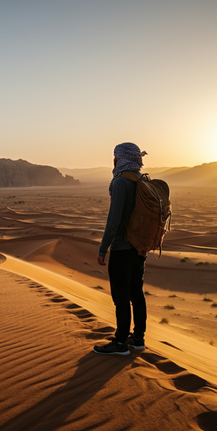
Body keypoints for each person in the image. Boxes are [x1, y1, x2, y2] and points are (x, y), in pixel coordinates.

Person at [93, 142, 148, 355]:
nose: (113, 159)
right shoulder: (141, 180)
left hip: (122, 249)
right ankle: (138, 339)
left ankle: (120, 343)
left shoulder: (120, 182)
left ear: (120, 158)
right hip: (139, 249)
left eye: (115, 156)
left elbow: (113, 221)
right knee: (137, 293)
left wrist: (102, 249)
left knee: (121, 297)